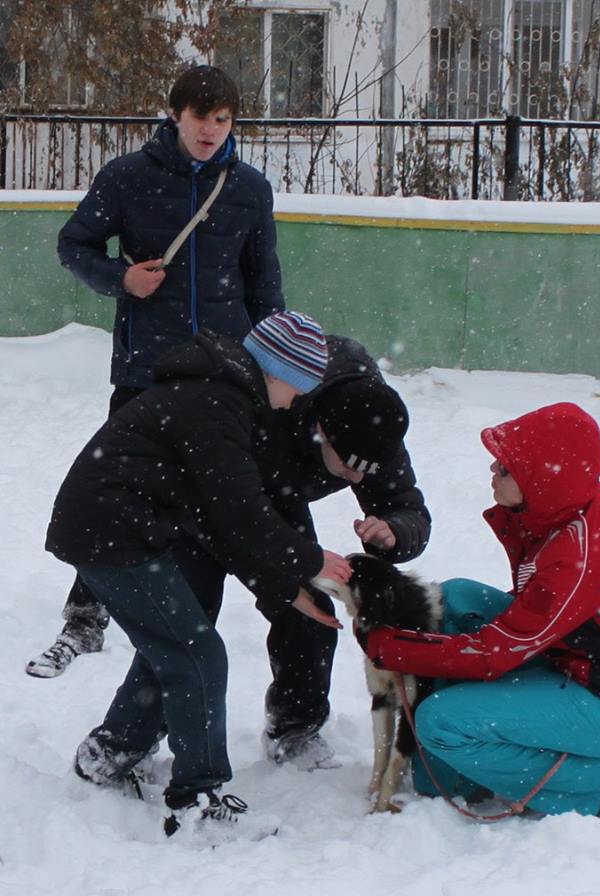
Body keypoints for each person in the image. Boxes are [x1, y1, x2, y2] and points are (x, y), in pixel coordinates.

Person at [45, 311, 351, 836]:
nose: (297, 401)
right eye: (299, 387)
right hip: (113, 533)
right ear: (278, 372)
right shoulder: (218, 402)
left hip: (115, 527)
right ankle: (197, 800)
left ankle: (110, 753)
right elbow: (240, 512)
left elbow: (222, 518)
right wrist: (311, 560)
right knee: (197, 652)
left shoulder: (221, 394)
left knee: (176, 646)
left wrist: (284, 584)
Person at [27, 63, 285, 678]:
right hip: (149, 370)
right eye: (201, 118)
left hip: (227, 373)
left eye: (223, 119)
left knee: (223, 490)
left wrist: (272, 363)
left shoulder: (249, 189)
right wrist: (122, 279)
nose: (212, 131)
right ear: (176, 115)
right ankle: (85, 619)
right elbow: (74, 244)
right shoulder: (127, 179)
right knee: (116, 493)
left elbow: (264, 283)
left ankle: (191, 615)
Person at [363, 402, 600, 819]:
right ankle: (479, 761)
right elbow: (531, 616)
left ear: (541, 479)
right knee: (457, 598)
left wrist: (394, 648)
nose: (492, 472)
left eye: (504, 468)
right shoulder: (560, 508)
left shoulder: (583, 552)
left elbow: (495, 653)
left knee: (439, 724)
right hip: (581, 657)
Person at [175, 334, 433, 769]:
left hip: (279, 494)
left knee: (312, 611)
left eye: (366, 470)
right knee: (184, 622)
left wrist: (394, 531)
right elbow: (229, 513)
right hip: (203, 495)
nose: (356, 480)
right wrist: (280, 577)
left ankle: (294, 727)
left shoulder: (373, 424)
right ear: (321, 432)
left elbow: (407, 506)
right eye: (348, 466)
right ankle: (130, 739)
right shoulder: (272, 404)